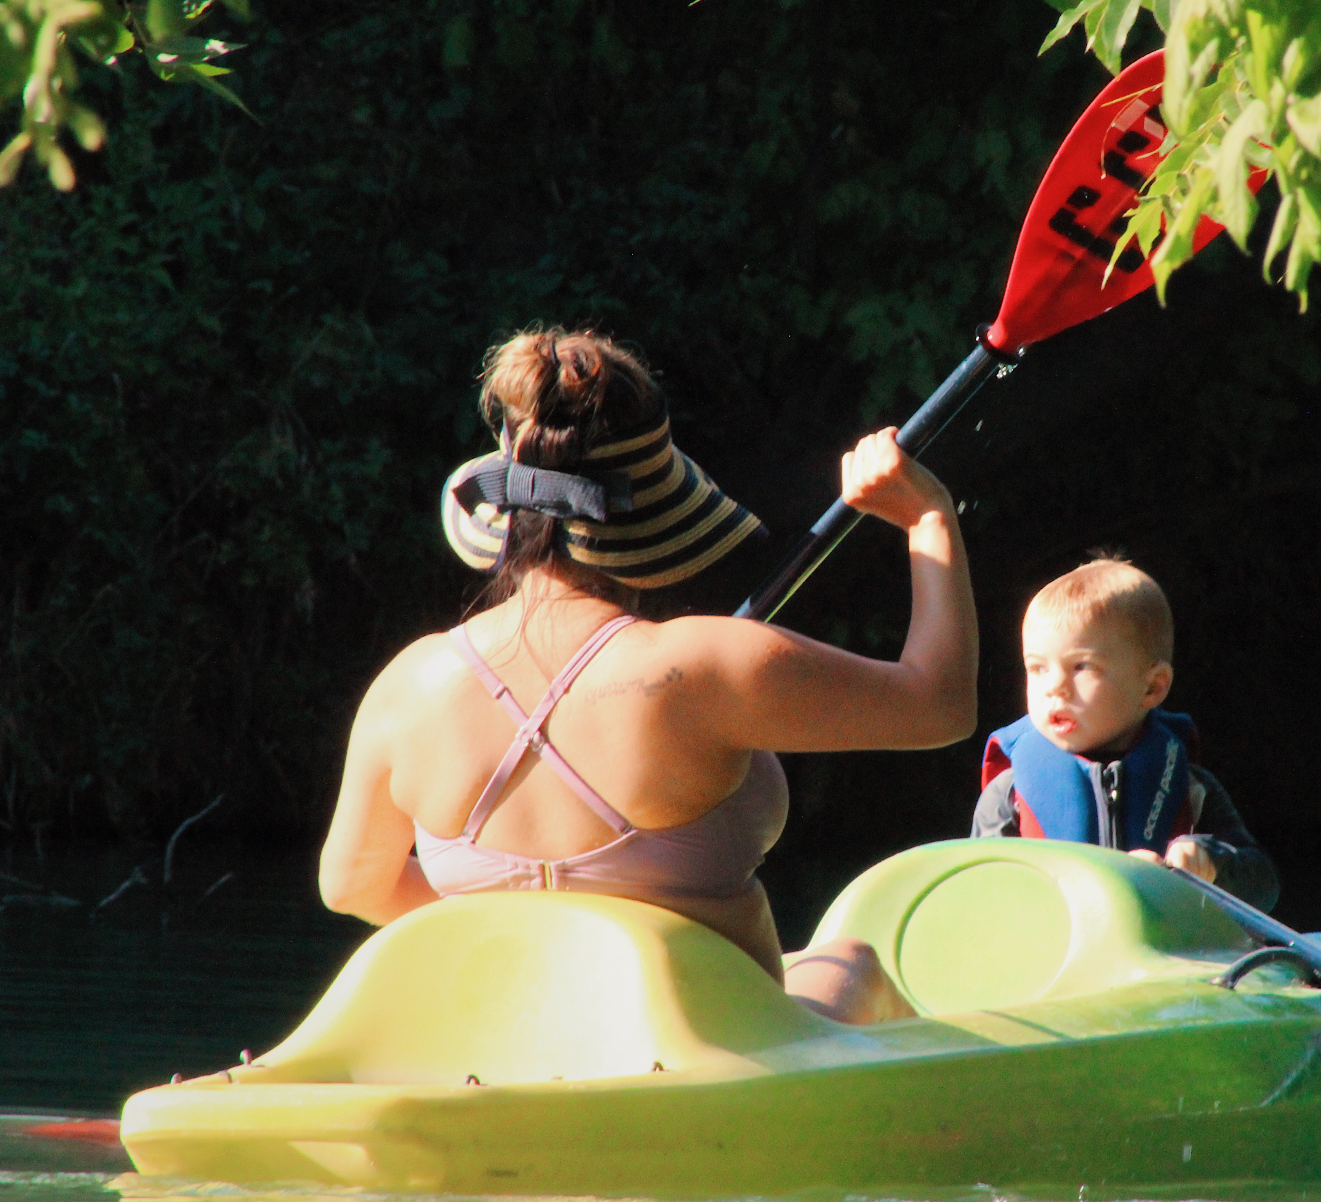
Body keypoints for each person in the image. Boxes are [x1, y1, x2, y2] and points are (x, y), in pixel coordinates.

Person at [319, 327, 977, 1025]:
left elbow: (354, 885)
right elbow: (940, 704)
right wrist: (926, 517)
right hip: (716, 1053)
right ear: (652, 510)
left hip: (504, 1042)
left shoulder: (410, 683)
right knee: (851, 964)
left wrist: (540, 934)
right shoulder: (706, 665)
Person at [972, 558, 1279, 910]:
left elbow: (1264, 887)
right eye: (1037, 668)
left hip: (1166, 959)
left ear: (1152, 687)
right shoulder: (1009, 793)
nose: (1054, 687)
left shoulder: (1191, 789)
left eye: (1082, 667)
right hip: (1052, 960)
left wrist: (1210, 862)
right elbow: (978, 899)